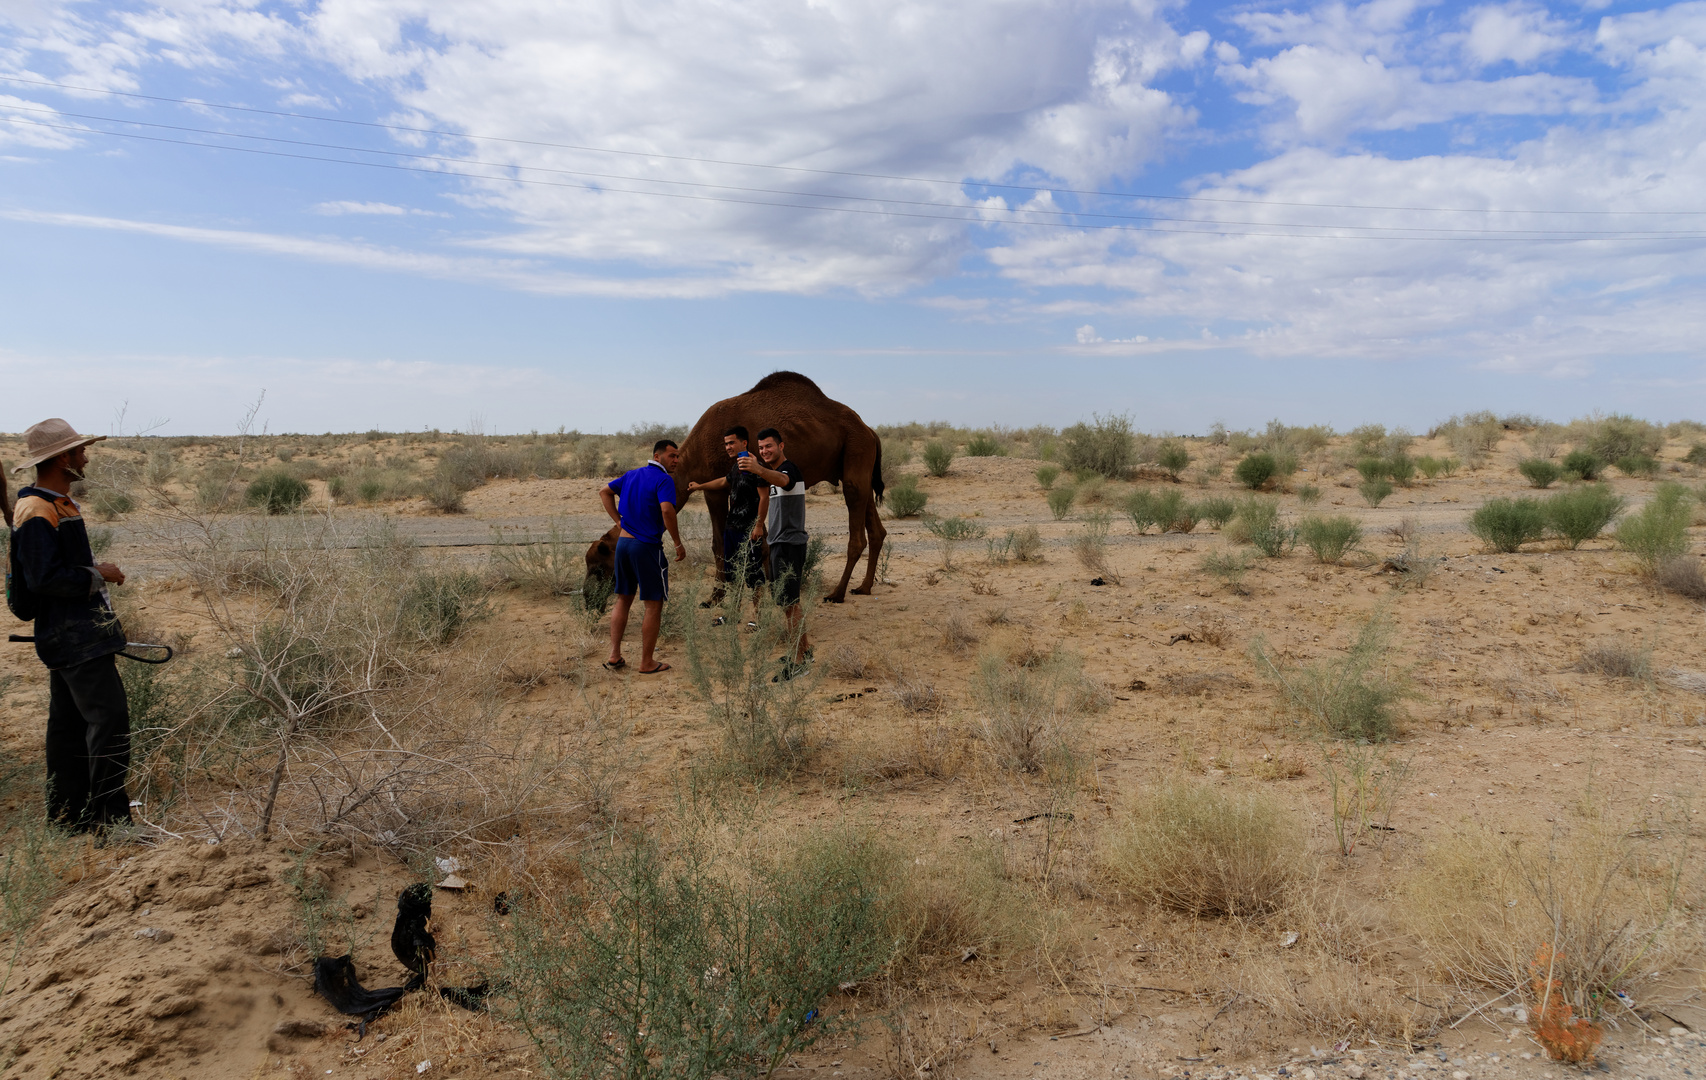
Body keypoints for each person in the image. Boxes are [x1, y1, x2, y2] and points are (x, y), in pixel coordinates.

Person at [7, 419, 133, 833]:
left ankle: (67, 819)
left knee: (69, 728)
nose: (85, 457)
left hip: (75, 634)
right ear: (63, 458)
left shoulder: (52, 504)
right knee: (109, 721)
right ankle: (111, 823)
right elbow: (45, 579)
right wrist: (99, 574)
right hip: (74, 637)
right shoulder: (38, 510)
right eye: (79, 451)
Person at [599, 439, 687, 674]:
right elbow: (667, 510)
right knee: (653, 604)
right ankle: (647, 662)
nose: (676, 460)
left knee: (623, 599)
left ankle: (615, 655)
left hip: (624, 544)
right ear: (657, 457)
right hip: (646, 546)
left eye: (678, 456)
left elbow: (605, 491)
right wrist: (678, 543)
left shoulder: (631, 475)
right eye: (671, 456)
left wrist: (619, 521)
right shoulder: (664, 479)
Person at [741, 428, 811, 676]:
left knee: (791, 605)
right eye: (761, 448)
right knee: (787, 603)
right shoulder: (773, 473)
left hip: (790, 545)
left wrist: (759, 468)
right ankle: (804, 649)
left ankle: (799, 661)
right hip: (780, 543)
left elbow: (784, 480)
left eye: (769, 446)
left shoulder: (788, 470)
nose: (764, 451)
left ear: (782, 446)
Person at [686, 426, 768, 619]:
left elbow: (764, 498)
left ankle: (758, 617)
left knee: (754, 575)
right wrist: (700, 486)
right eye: (726, 444)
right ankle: (733, 613)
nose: (728, 447)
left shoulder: (756, 465)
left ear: (744, 442)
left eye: (731, 443)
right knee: (734, 574)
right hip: (732, 528)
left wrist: (758, 525)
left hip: (748, 530)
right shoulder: (737, 465)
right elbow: (725, 482)